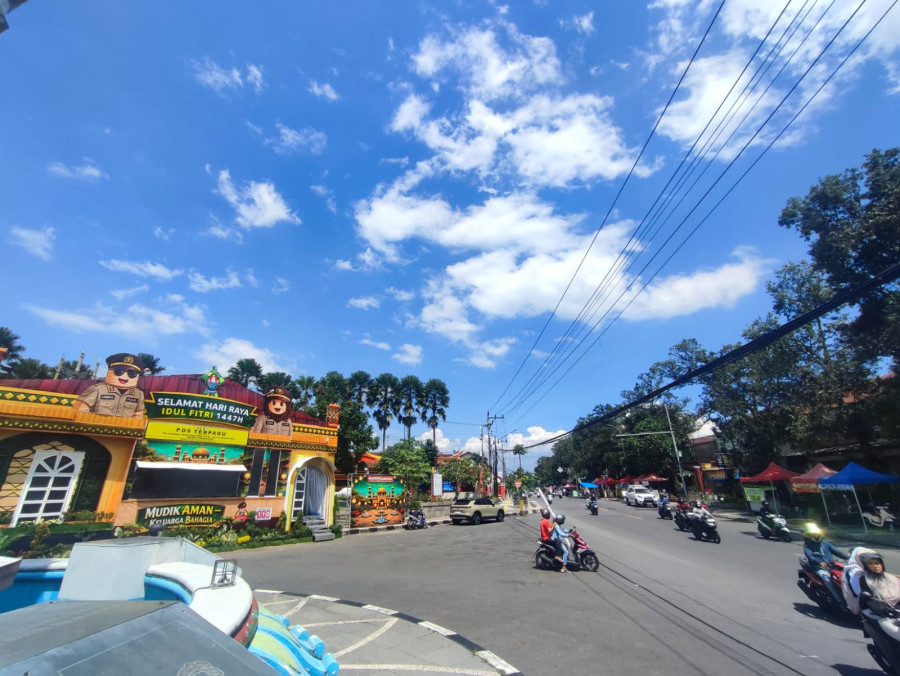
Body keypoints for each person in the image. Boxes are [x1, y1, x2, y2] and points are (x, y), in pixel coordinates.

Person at [74, 353, 146, 419]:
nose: (125, 375)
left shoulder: (138, 394)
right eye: (119, 371)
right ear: (109, 371)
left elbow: (138, 416)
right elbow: (78, 410)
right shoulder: (97, 389)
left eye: (132, 373)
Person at [803, 523, 848, 606]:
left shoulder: (825, 543)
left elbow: (837, 552)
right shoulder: (807, 545)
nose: (816, 536)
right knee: (827, 579)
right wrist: (819, 562)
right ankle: (840, 600)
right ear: (809, 535)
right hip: (818, 568)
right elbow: (810, 556)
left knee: (846, 575)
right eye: (814, 534)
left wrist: (848, 557)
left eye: (817, 534)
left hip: (831, 565)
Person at [855, 550, 900, 614]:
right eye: (870, 563)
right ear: (866, 566)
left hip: (895, 606)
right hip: (878, 609)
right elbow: (869, 599)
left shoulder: (891, 578)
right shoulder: (865, 579)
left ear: (881, 565)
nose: (875, 566)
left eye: (877, 563)